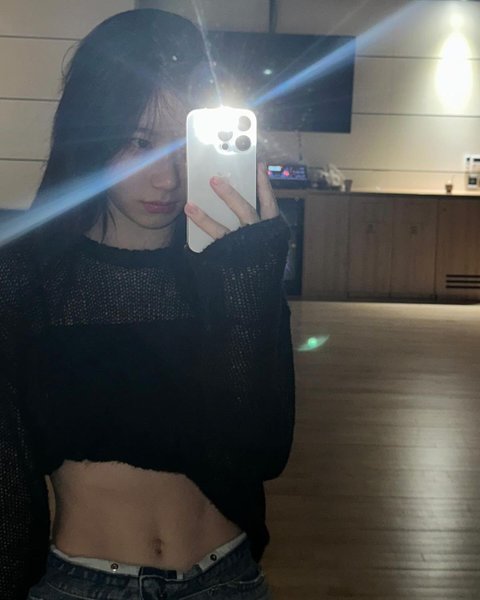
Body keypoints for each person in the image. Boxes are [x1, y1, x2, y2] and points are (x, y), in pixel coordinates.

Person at [0, 9, 295, 600]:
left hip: (228, 579)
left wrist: (250, 287)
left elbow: (263, 448)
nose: (167, 178)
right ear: (91, 132)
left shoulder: (232, 269)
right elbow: (8, 478)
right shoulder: (28, 276)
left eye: (185, 146)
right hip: (85, 586)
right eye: (138, 143)